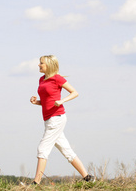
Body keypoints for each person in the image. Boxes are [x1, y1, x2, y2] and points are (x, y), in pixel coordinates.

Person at [30, 55, 94, 185]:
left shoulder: (57, 78)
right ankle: (88, 178)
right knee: (66, 150)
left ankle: (35, 183)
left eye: (41, 63)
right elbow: (47, 101)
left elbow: (74, 92)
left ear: (49, 65)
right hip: (48, 119)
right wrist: (36, 102)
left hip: (56, 118)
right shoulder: (41, 79)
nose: (39, 65)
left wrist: (62, 100)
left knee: (42, 149)